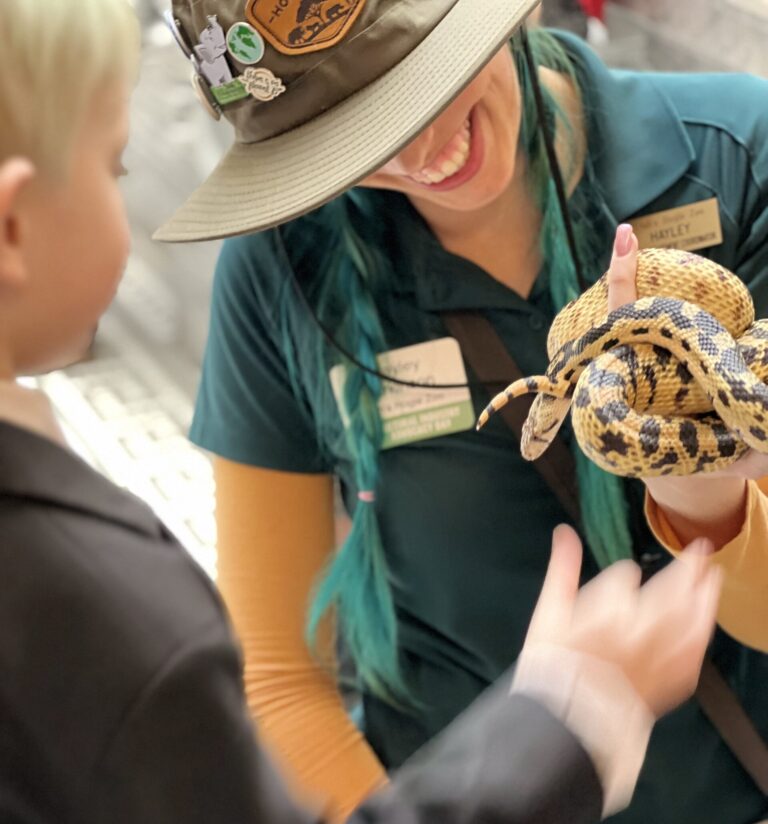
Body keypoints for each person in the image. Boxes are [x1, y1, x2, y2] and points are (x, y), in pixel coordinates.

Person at [0, 0, 723, 822]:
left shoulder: (730, 155)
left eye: (416, 85)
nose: (414, 151)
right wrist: (576, 719)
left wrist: (705, 492)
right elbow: (282, 674)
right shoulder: (280, 273)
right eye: (116, 164)